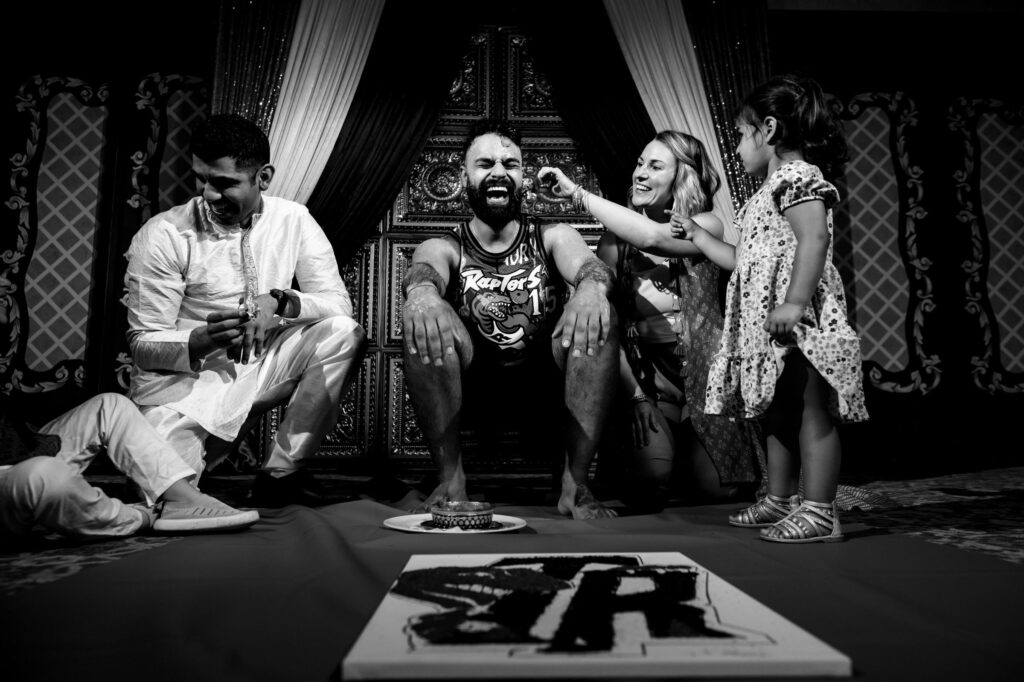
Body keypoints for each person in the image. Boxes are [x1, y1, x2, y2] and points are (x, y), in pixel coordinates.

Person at [124, 114, 366, 508]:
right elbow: (142, 345)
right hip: (185, 390)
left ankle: (281, 474)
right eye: (200, 179)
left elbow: (339, 305)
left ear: (263, 177)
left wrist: (280, 302)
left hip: (262, 366)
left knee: (342, 332)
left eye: (223, 183)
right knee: (162, 498)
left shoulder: (293, 219)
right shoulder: (163, 234)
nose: (208, 194)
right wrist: (203, 339)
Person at [671, 74, 869, 543]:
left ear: (770, 129)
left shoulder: (797, 177)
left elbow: (814, 238)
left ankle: (820, 510)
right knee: (777, 411)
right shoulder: (762, 195)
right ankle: (781, 498)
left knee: (811, 410)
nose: (738, 147)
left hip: (801, 320)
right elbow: (740, 261)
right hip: (769, 326)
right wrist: (698, 236)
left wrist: (795, 302)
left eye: (742, 134)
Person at [401, 118, 620, 520]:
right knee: (422, 313)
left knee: (600, 312)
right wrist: (423, 294)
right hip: (471, 382)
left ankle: (576, 486)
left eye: (510, 164)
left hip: (547, 380)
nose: (499, 172)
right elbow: (423, 271)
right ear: (464, 176)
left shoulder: (553, 235)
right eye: (485, 164)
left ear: (523, 177)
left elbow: (591, 267)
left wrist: (590, 289)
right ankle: (451, 483)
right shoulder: (446, 245)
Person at [538, 131, 762, 512]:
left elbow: (654, 239)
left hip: (707, 380)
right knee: (649, 483)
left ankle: (688, 453)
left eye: (655, 166)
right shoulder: (614, 243)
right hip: (651, 382)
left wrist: (576, 193)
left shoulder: (707, 225)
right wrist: (636, 397)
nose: (640, 173)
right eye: (640, 163)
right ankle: (663, 450)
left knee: (718, 490)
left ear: (681, 177)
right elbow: (606, 328)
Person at [0, 276, 258, 537]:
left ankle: (185, 499)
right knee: (45, 476)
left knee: (110, 406)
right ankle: (142, 516)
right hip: (18, 476)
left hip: (19, 450)